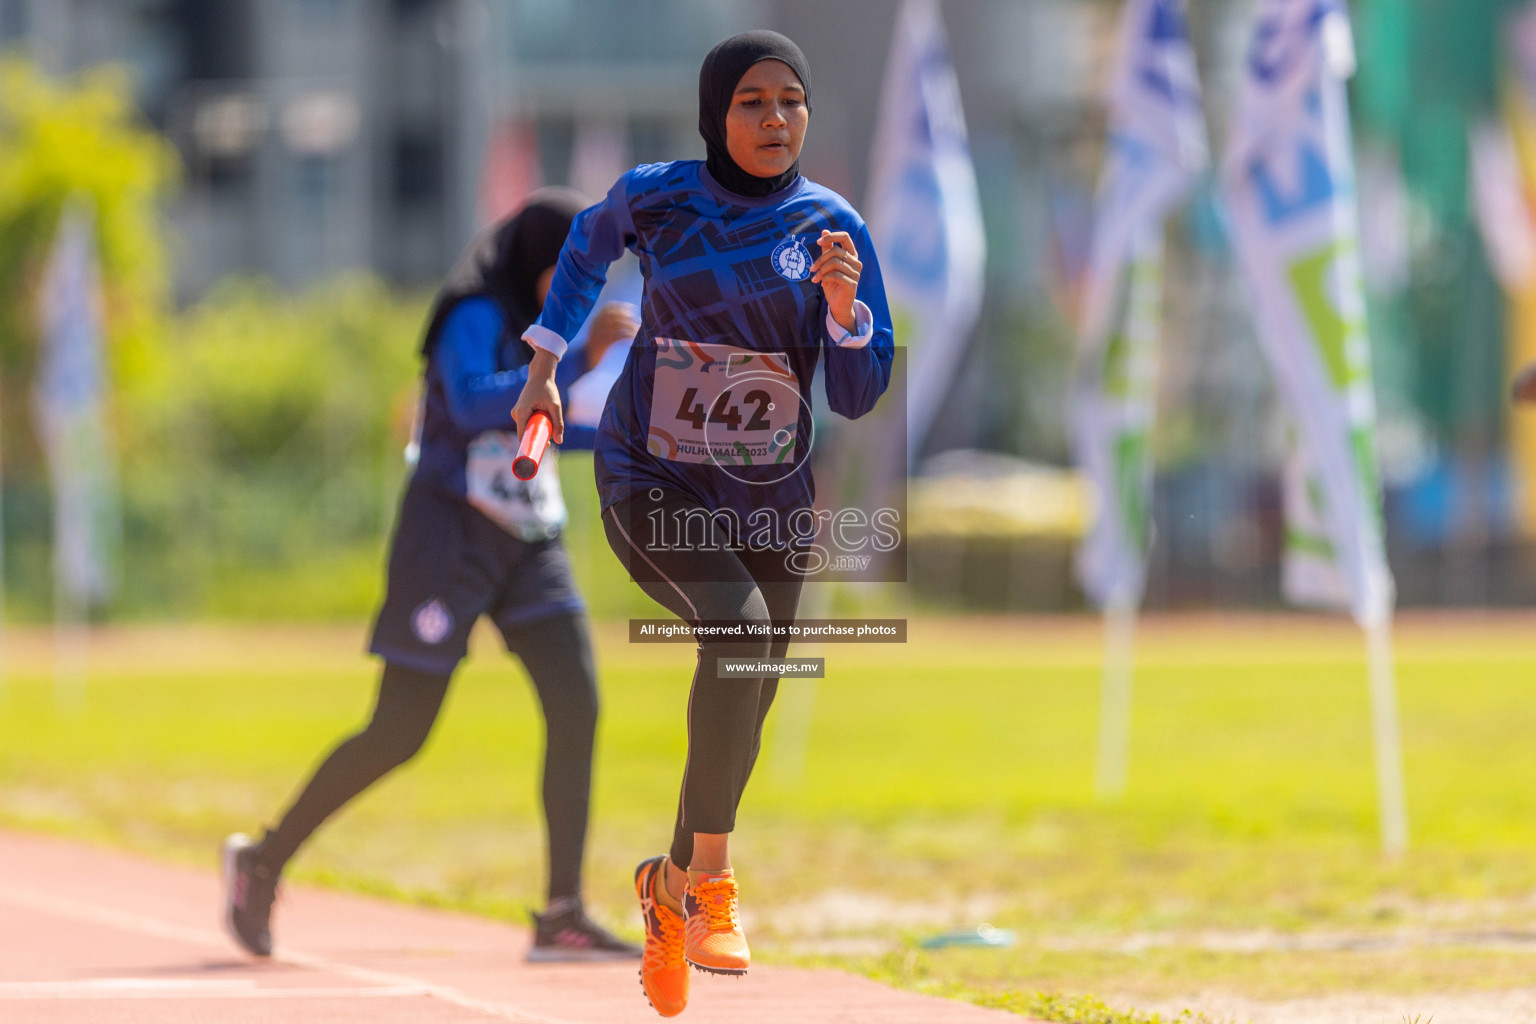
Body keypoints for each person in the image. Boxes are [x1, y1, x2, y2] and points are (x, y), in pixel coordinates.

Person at [511, 31, 894, 1017]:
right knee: (738, 630)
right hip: (653, 480)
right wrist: (547, 364)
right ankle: (715, 886)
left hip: (773, 499)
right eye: (753, 102)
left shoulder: (832, 227)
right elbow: (586, 248)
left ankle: (667, 886)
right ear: (714, 114)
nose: (776, 120)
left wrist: (845, 311)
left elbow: (855, 393)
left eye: (793, 101)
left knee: (748, 686)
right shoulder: (660, 196)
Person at [222, 189, 642, 964]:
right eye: (564, 270)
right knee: (400, 731)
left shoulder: (551, 328)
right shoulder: (475, 316)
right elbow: (472, 398)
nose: (574, 288)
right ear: (532, 262)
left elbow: (544, 426)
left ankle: (562, 910)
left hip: (527, 535)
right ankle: (265, 858)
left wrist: (634, 440)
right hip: (449, 535)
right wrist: (577, 361)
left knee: (576, 701)